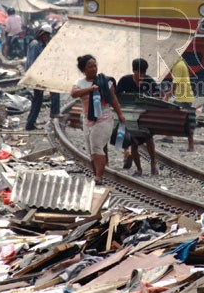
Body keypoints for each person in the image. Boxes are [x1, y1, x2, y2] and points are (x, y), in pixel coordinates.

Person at [71, 54, 125, 185]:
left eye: (95, 66)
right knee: (91, 150)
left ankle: (99, 177)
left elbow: (113, 100)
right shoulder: (80, 83)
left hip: (104, 118)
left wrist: (120, 115)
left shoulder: (105, 81)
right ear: (84, 69)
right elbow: (73, 94)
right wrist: (90, 89)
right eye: (90, 67)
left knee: (96, 147)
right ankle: (96, 174)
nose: (94, 69)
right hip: (88, 120)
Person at [116, 58, 160, 175]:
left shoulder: (149, 81)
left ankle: (153, 164)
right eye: (138, 73)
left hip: (145, 116)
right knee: (134, 143)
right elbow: (116, 95)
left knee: (149, 139)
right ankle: (139, 168)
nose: (140, 76)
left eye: (142, 74)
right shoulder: (125, 80)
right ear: (133, 71)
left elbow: (158, 94)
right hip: (130, 117)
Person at [25, 24, 61, 130]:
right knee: (38, 99)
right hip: (37, 76)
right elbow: (32, 62)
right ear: (41, 34)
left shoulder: (43, 44)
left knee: (49, 94)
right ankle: (30, 124)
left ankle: (54, 115)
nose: (47, 37)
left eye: (48, 35)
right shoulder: (35, 45)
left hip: (42, 75)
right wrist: (35, 78)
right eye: (46, 35)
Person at [165, 57, 195, 152]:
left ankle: (170, 137)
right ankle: (170, 137)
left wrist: (168, 95)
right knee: (184, 121)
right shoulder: (179, 64)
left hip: (183, 97)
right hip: (182, 96)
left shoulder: (178, 65)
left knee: (183, 120)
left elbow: (175, 83)